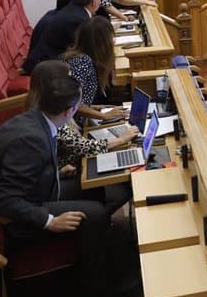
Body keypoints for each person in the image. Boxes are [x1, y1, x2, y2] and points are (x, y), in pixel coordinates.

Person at [0, 63, 131, 297]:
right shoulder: (32, 140)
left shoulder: (38, 119)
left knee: (98, 189)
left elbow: (26, 174)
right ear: (69, 111)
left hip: (34, 192)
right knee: (94, 213)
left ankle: (105, 255)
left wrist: (56, 172)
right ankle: (97, 287)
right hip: (7, 219)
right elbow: (6, 200)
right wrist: (49, 220)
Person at [30, 60, 135, 216]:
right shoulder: (51, 116)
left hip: (62, 172)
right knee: (121, 188)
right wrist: (121, 139)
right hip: (53, 185)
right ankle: (99, 218)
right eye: (70, 79)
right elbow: (83, 146)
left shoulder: (46, 107)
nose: (74, 82)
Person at [23, 0, 101, 72]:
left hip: (52, 58)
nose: (100, 1)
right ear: (93, 1)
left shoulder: (74, 9)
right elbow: (84, 48)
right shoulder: (77, 18)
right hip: (47, 65)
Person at [61, 15, 123, 124]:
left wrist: (96, 108)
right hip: (72, 125)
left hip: (80, 119)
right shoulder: (82, 62)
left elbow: (82, 101)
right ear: (103, 42)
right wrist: (104, 115)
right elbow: (71, 103)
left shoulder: (84, 57)